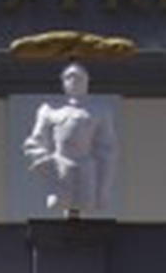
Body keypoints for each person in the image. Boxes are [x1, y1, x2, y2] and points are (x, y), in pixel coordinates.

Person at [23, 61, 118, 217]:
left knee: (86, 201)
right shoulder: (49, 109)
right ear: (63, 82)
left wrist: (103, 190)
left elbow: (107, 150)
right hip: (59, 167)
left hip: (87, 169)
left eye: (79, 78)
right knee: (59, 201)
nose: (74, 81)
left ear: (87, 82)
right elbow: (35, 141)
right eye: (69, 77)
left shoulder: (99, 110)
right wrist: (44, 161)